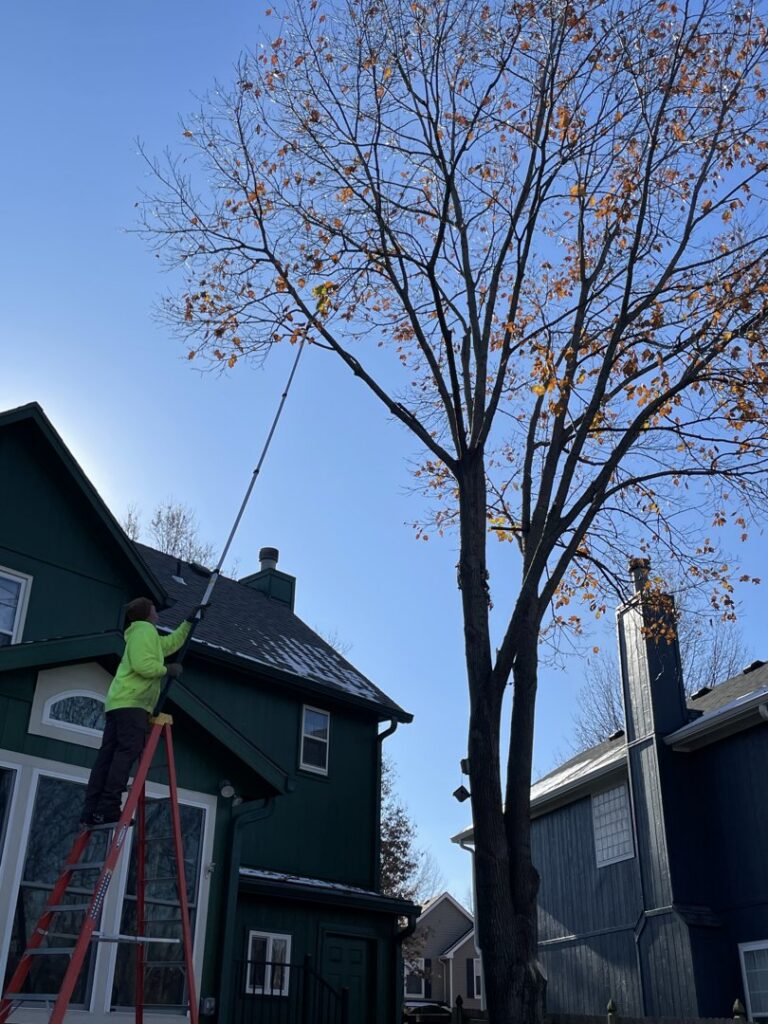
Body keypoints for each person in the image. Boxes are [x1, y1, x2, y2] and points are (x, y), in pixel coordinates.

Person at [79, 597, 195, 828]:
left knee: (108, 757)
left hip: (120, 702)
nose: (157, 610)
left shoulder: (143, 634)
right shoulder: (143, 632)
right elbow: (143, 666)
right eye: (154, 607)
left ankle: (91, 810)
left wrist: (189, 622)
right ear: (148, 612)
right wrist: (167, 669)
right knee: (125, 753)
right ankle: (108, 807)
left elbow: (170, 644)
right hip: (133, 704)